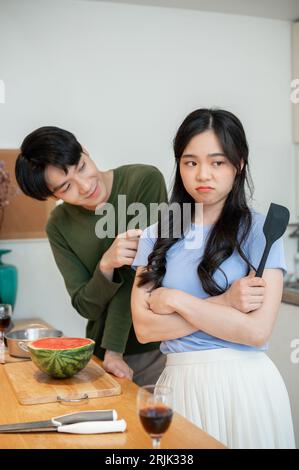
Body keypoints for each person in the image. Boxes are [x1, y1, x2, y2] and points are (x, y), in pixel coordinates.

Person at [131, 108, 295, 448]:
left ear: (239, 163)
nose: (202, 174)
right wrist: (225, 304)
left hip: (247, 388)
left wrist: (176, 300)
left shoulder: (263, 232)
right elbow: (145, 329)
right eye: (190, 162)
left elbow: (255, 331)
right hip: (178, 386)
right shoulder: (154, 236)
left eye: (217, 162)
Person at [15, 126, 167, 385]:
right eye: (66, 187)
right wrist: (106, 265)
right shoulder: (59, 225)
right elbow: (86, 306)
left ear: (84, 150)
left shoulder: (143, 181)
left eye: (82, 166)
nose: (85, 186)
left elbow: (141, 272)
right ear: (52, 196)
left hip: (154, 347)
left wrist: (115, 350)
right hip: (100, 357)